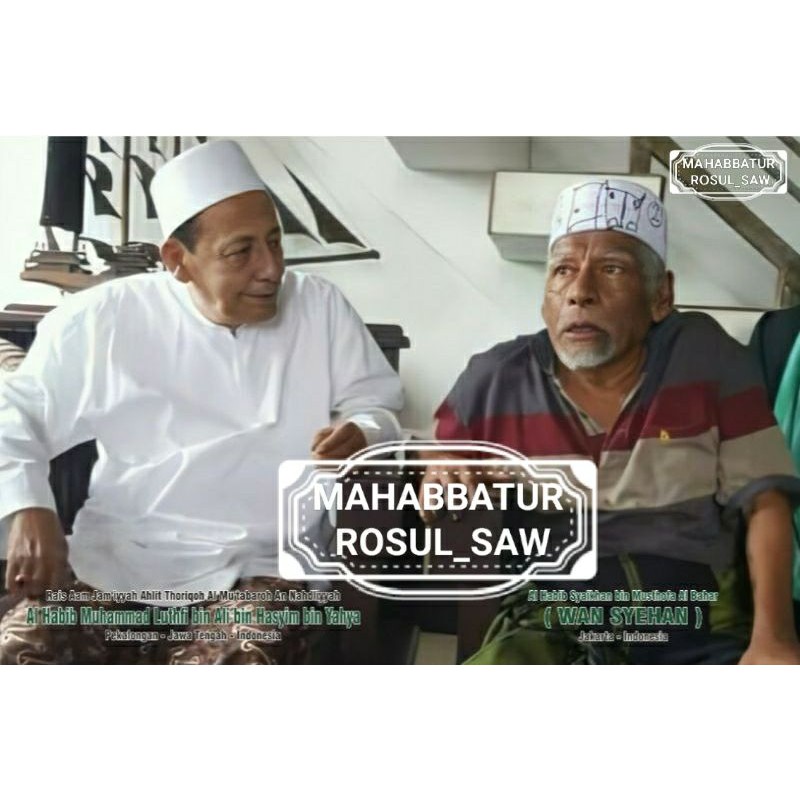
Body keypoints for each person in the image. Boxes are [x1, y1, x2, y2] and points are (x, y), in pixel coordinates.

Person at [0, 140, 403, 664]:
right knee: (20, 649)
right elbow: (17, 412)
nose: (271, 269)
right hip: (117, 562)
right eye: (241, 252)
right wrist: (28, 506)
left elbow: (377, 406)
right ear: (178, 260)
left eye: (275, 243)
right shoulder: (104, 318)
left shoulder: (319, 307)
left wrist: (363, 431)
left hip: (260, 570)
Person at [422, 177, 800, 664]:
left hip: (694, 619)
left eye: (612, 269)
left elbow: (765, 501)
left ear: (661, 296)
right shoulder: (497, 378)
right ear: (546, 298)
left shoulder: (705, 358)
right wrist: (439, 467)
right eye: (563, 271)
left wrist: (774, 639)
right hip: (554, 622)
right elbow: (439, 458)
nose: (580, 292)